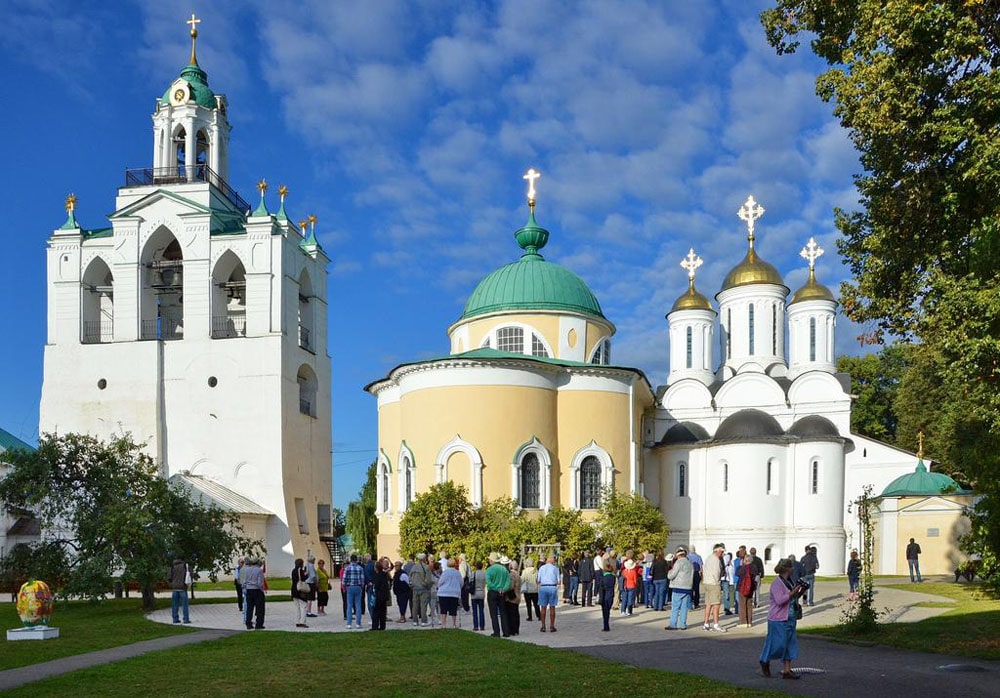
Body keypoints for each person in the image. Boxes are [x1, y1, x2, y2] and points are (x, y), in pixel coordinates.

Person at [759, 558, 807, 680]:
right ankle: (764, 660)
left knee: (790, 644)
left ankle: (787, 671)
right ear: (787, 569)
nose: (793, 569)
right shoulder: (777, 583)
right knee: (777, 645)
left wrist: (802, 590)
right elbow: (780, 601)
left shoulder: (790, 581)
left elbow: (793, 598)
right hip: (777, 619)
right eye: (792, 567)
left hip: (790, 617)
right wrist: (794, 591)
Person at [665, 546, 693, 630]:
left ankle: (673, 624)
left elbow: (671, 576)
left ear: (678, 555)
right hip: (687, 587)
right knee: (684, 607)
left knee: (675, 607)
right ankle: (683, 624)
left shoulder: (678, 563)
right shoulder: (690, 563)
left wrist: (669, 572)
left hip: (678, 587)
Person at [485, 552, 512, 637]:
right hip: (502, 593)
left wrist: (496, 588)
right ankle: (506, 632)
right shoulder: (504, 569)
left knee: (493, 613)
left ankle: (496, 632)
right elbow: (508, 581)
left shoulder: (489, 569)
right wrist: (503, 589)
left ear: (492, 560)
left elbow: (488, 582)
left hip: (493, 592)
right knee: (503, 612)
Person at [701, 544, 726, 632]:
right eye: (722, 552)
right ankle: (716, 624)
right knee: (716, 604)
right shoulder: (716, 560)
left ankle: (706, 623)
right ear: (717, 551)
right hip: (713, 584)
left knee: (708, 604)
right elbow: (717, 573)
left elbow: (703, 569)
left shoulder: (708, 558)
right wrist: (717, 583)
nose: (722, 554)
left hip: (706, 583)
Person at [536, 554, 561, 632]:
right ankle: (552, 626)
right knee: (552, 607)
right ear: (552, 560)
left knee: (543, 608)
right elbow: (559, 581)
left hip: (543, 587)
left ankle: (543, 626)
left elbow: (538, 580)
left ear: (547, 560)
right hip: (552, 587)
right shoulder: (556, 568)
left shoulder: (541, 568)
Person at [438, 557, 463, 628]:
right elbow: (461, 582)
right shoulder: (457, 573)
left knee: (443, 609)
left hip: (444, 593)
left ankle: (443, 624)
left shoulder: (445, 572)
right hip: (454, 593)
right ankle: (454, 624)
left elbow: (440, 582)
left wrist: (439, 586)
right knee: (453, 609)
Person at [409, 552, 433, 627]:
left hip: (415, 588)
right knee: (423, 605)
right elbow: (429, 579)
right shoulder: (426, 567)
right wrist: (427, 585)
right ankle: (423, 621)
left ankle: (415, 621)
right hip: (423, 588)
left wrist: (412, 584)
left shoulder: (414, 567)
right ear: (424, 559)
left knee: (415, 605)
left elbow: (410, 577)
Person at [342, 554, 366, 630]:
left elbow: (344, 579)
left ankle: (349, 624)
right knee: (358, 605)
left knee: (349, 605)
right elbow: (362, 580)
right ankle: (358, 624)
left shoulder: (347, 568)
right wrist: (361, 587)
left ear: (350, 560)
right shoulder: (360, 568)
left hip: (350, 587)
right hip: (358, 587)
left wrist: (344, 587)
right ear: (356, 560)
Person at [242, 557, 266, 630]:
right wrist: (262, 590)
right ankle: (259, 624)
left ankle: (248, 623)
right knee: (260, 608)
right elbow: (260, 582)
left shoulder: (246, 570)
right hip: (257, 590)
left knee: (249, 608)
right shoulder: (259, 570)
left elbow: (244, 581)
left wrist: (245, 589)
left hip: (249, 590)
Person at [735, 551, 756, 628]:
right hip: (751, 588)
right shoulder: (754, 567)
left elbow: (737, 573)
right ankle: (749, 621)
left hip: (742, 588)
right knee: (749, 605)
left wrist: (741, 565)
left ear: (745, 560)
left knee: (742, 605)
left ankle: (743, 622)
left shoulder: (743, 568)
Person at [372, 557, 392, 630]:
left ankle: (375, 626)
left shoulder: (377, 576)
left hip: (379, 595)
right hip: (384, 595)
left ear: (376, 568)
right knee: (383, 612)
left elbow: (376, 586)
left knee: (376, 611)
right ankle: (382, 626)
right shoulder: (384, 574)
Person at [169, 557, 191, 624]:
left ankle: (175, 619)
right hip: (182, 587)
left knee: (175, 605)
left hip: (175, 588)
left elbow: (169, 577)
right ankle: (186, 619)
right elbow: (190, 575)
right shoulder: (185, 566)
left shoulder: (172, 566)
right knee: (185, 605)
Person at [291, 558, 309, 628]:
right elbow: (303, 578)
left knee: (297, 606)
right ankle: (302, 621)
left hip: (294, 588)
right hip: (300, 589)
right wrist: (306, 574)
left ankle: (297, 621)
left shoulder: (293, 570)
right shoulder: (300, 570)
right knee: (303, 605)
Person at [599, 560, 616, 631]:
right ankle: (607, 625)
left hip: (604, 597)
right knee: (608, 611)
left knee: (604, 613)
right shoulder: (613, 577)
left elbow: (601, 589)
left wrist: (600, 598)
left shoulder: (603, 578)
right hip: (611, 595)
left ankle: (606, 626)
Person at [505, 558, 522, 635]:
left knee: (511, 614)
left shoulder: (511, 575)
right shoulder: (518, 575)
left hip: (511, 596)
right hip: (517, 596)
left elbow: (511, 586)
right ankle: (516, 629)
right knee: (516, 613)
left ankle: (512, 630)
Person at [470, 560, 487, 631]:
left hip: (474, 593)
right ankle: (482, 626)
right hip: (481, 592)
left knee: (474, 611)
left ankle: (476, 626)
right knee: (481, 610)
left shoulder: (473, 574)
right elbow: (486, 582)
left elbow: (470, 582)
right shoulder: (484, 574)